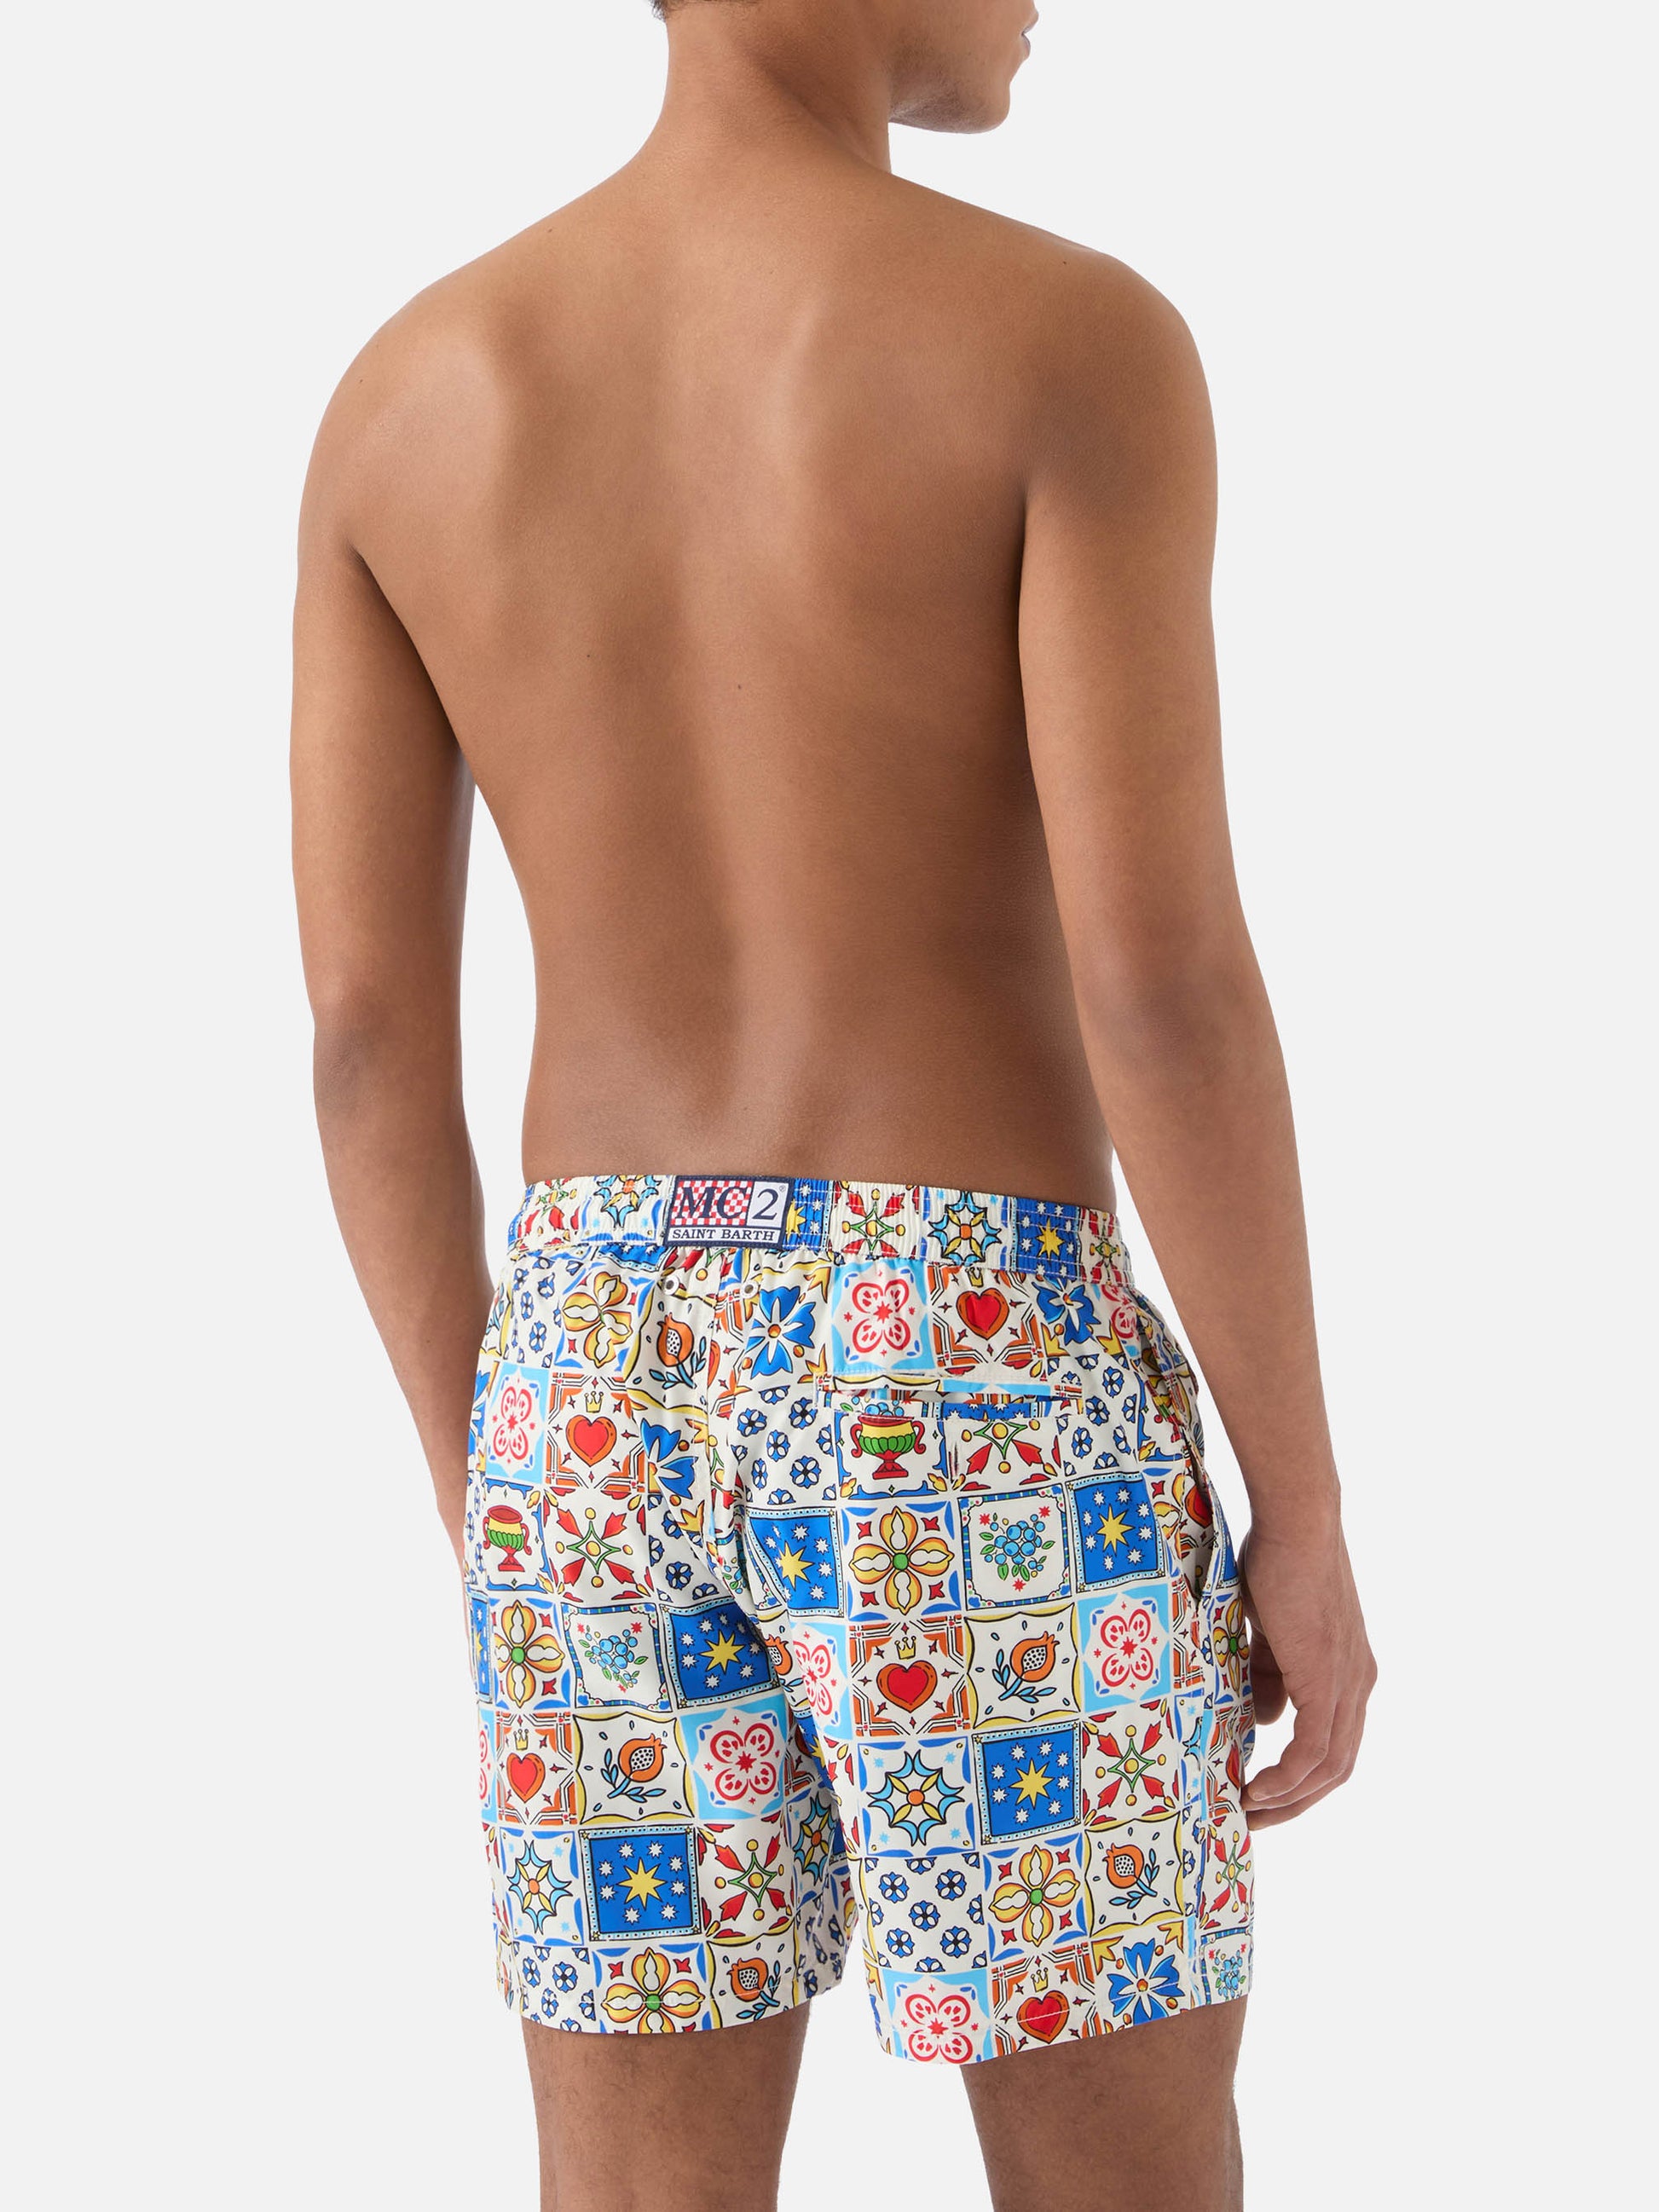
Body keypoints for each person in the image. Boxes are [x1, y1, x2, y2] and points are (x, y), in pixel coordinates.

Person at [291, 3, 1375, 2205]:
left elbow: (365, 1035)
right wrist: (1306, 1508)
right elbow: (1160, 981)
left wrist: (501, 1494)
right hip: (963, 1371)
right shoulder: (1064, 341)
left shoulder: (407, 392)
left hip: (581, 1374)